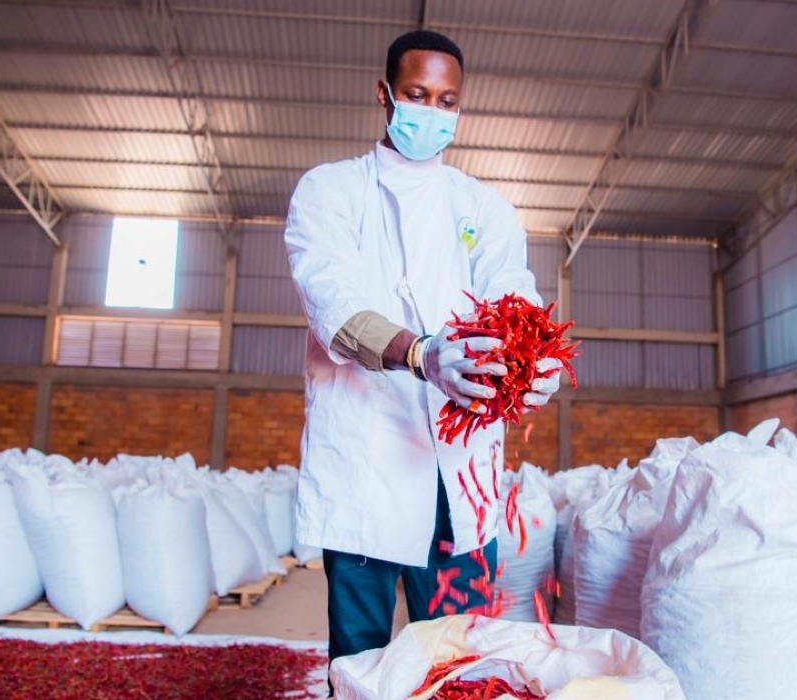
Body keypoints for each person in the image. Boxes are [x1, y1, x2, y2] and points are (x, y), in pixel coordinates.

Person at [284, 30, 564, 679]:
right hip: (366, 465)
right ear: (385, 95)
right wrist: (421, 354)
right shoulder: (331, 191)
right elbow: (334, 302)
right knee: (360, 661)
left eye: (446, 101)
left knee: (456, 662)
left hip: (459, 475)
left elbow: (513, 291)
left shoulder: (482, 206)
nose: (431, 112)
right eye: (417, 95)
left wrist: (537, 357)